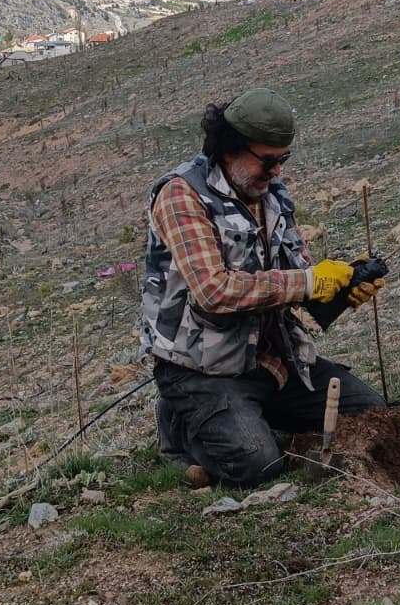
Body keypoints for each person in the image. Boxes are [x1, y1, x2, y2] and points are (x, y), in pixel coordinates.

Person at [140, 88, 387, 487]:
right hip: (202, 369)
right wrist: (307, 283)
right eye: (268, 161)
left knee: (373, 416)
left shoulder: (271, 196)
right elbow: (215, 291)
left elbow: (297, 276)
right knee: (257, 465)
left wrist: (340, 291)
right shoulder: (181, 196)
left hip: (273, 361)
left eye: (283, 160)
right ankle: (182, 424)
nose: (277, 173)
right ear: (229, 148)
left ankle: (244, 419)